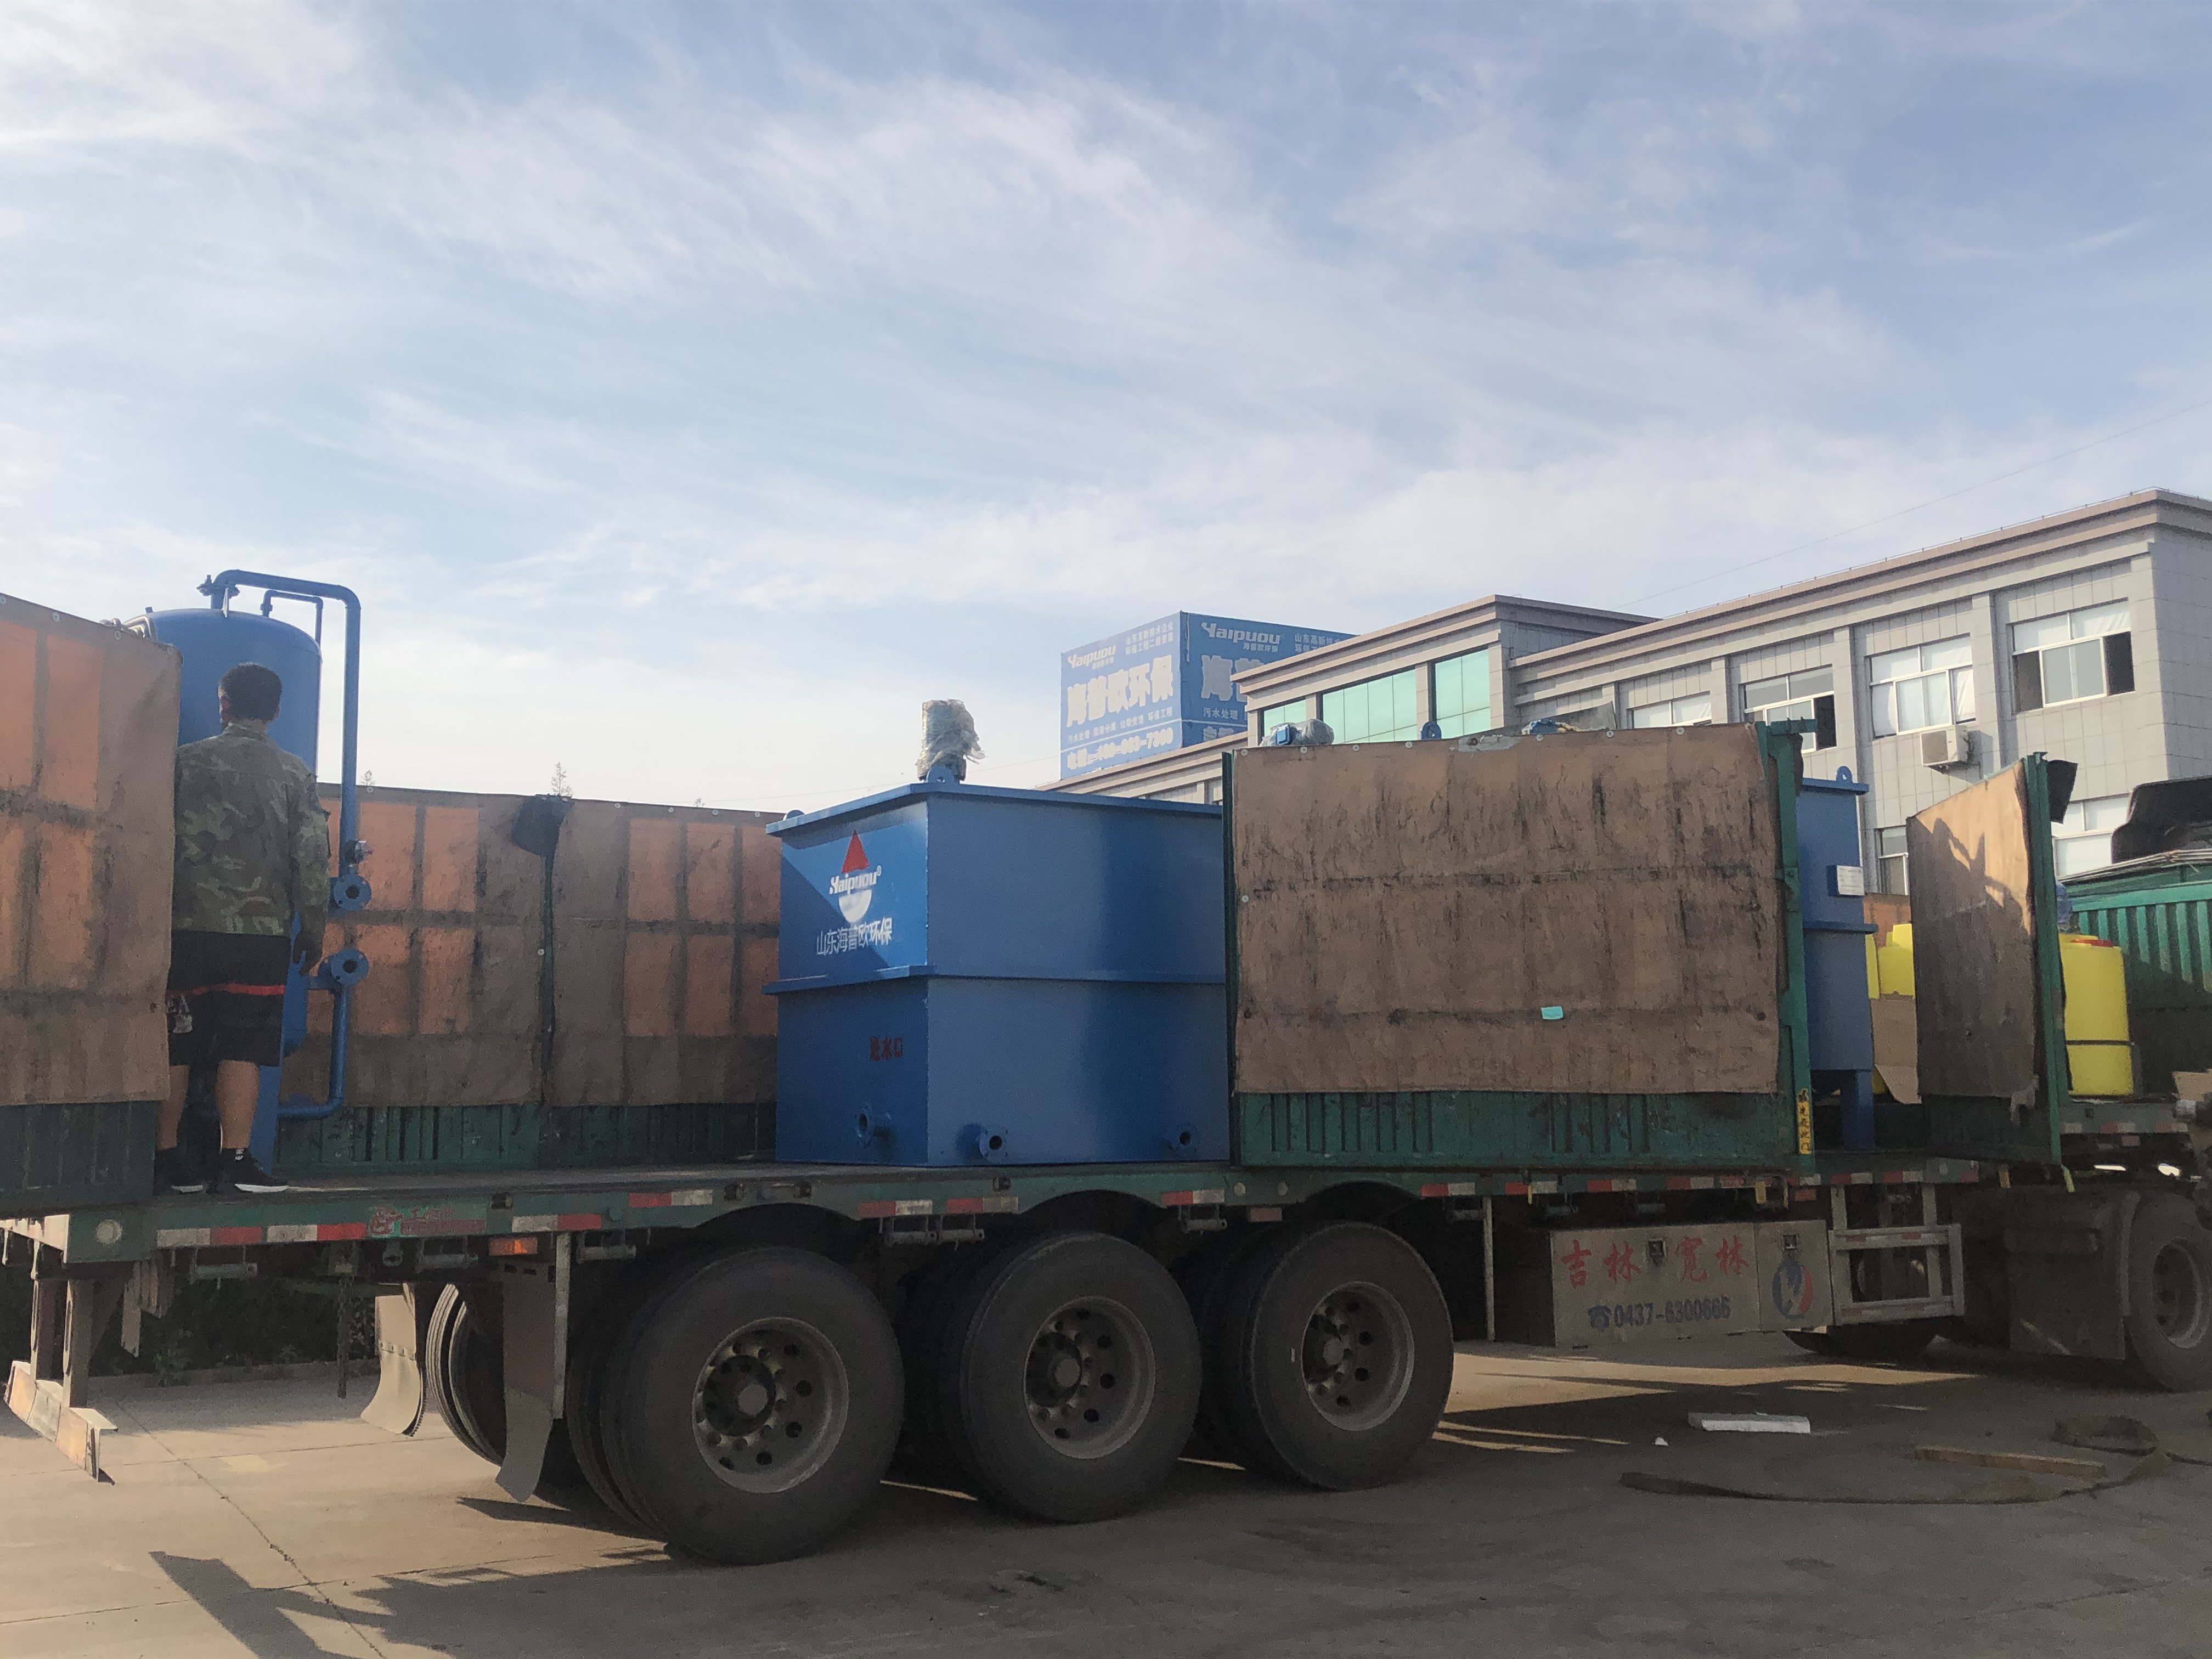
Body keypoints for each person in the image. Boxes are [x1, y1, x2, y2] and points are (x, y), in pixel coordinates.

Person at [157, 662, 329, 1197]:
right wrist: (313, 929)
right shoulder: (293, 774)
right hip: (258, 936)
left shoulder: (181, 763)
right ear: (276, 711)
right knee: (242, 1047)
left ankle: (165, 1161)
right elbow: (311, 856)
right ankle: (234, 1161)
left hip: (183, 931)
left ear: (223, 705)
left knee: (175, 1045)